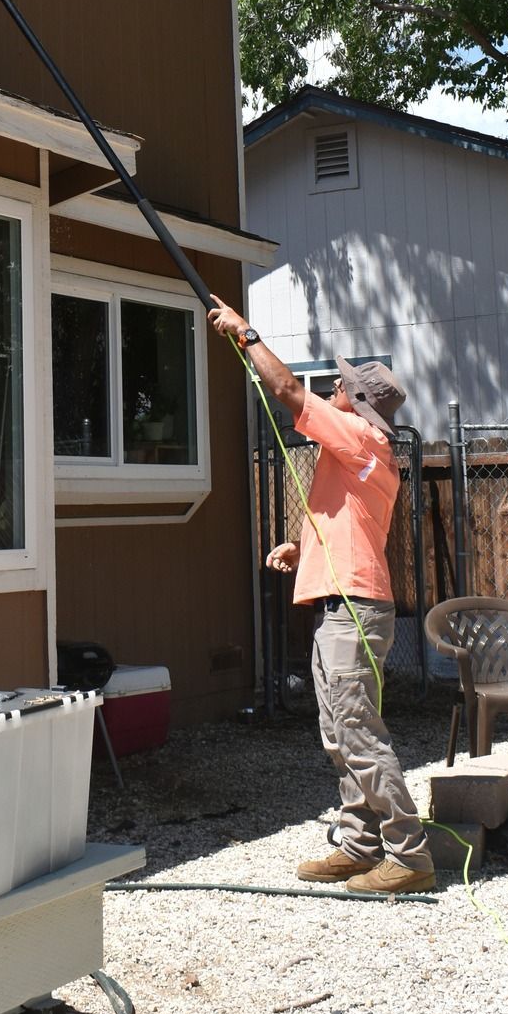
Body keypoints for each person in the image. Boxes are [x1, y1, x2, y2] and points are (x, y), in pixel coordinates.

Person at [207, 295, 436, 897]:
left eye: (342, 383)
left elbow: (285, 391)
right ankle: (360, 846)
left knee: (358, 729)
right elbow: (342, 524)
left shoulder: (361, 438)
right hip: (341, 604)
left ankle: (408, 854)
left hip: (354, 609)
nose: (334, 384)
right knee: (338, 732)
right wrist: (299, 548)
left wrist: (246, 332)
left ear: (358, 403)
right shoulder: (355, 452)